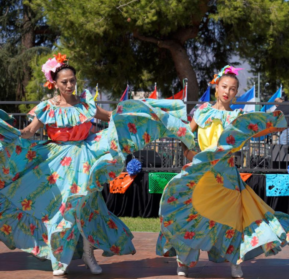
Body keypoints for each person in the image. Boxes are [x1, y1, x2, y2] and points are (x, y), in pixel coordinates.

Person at [0, 53, 194, 276]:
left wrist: (133, 115)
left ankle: (88, 255)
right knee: (61, 211)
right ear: (55, 83)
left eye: (72, 80)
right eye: (64, 82)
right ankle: (59, 259)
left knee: (86, 207)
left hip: (86, 158)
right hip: (57, 164)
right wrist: (12, 133)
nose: (70, 85)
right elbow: (29, 132)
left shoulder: (85, 105)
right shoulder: (47, 107)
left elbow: (111, 116)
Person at [156, 65, 289, 278]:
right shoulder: (202, 111)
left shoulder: (239, 118)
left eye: (233, 89)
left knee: (234, 221)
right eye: (224, 86)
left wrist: (276, 122)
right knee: (192, 215)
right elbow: (184, 138)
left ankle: (235, 262)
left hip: (228, 178)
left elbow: (264, 128)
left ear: (236, 93)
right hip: (202, 175)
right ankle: (183, 261)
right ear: (216, 88)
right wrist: (194, 157)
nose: (228, 91)